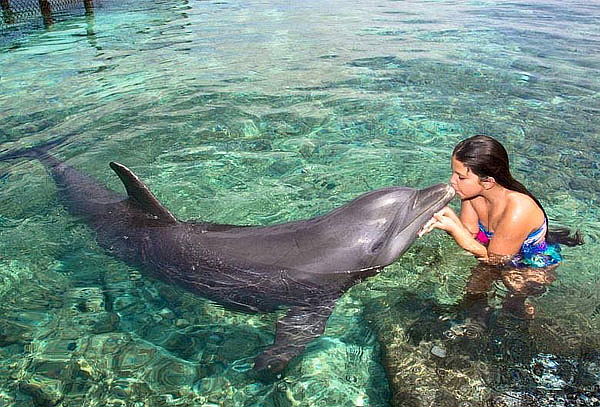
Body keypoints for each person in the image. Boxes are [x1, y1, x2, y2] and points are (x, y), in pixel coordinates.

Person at [420, 135, 582, 319]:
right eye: (453, 173)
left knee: (513, 294)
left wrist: (454, 229)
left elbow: (496, 260)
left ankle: (523, 314)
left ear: (488, 181)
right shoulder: (472, 196)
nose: (452, 181)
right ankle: (472, 323)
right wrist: (448, 216)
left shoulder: (518, 210)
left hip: (531, 263)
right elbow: (470, 234)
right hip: (495, 251)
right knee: (472, 292)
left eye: (461, 177)